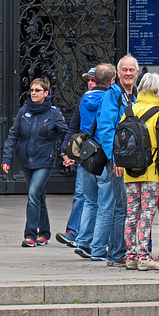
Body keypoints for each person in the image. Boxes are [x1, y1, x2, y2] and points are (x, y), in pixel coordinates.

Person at [1, 78, 69, 247]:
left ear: (46, 93)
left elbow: (65, 134)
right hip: (26, 160)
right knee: (39, 197)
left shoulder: (54, 113)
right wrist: (6, 158)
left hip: (45, 161)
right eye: (31, 90)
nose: (33, 93)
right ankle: (45, 234)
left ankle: (30, 235)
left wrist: (66, 153)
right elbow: (13, 135)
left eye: (38, 90)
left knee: (32, 195)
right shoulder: (23, 112)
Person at [123, 73, 159, 271]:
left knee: (131, 213)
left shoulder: (129, 111)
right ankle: (143, 256)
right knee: (146, 213)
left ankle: (130, 255)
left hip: (130, 171)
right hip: (151, 171)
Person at [95, 54, 139, 267]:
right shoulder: (112, 96)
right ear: (118, 74)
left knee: (131, 206)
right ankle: (116, 253)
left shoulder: (137, 95)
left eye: (132, 70)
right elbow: (105, 129)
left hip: (135, 161)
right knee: (122, 207)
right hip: (119, 162)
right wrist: (115, 159)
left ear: (137, 73)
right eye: (125, 70)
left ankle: (128, 250)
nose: (128, 74)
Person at [72, 64, 117, 262]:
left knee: (89, 201)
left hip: (86, 153)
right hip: (103, 154)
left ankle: (83, 241)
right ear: (112, 81)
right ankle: (98, 247)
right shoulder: (109, 98)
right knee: (106, 203)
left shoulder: (86, 98)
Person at [56, 66, 97, 248]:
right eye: (88, 80)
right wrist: (66, 151)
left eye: (93, 80)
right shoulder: (83, 101)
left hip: (104, 155)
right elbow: (73, 128)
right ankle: (73, 232)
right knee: (81, 193)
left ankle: (95, 236)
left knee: (102, 197)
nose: (90, 83)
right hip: (86, 154)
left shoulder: (111, 99)